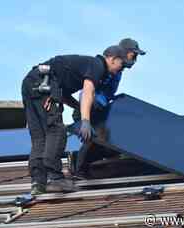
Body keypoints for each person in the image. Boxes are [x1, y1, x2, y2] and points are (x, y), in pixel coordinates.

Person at [21, 45, 127, 195]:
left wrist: (77, 106)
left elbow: (63, 95)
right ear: (113, 59)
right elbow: (88, 91)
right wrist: (85, 120)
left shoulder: (83, 64)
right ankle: (55, 179)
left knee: (40, 136)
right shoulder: (97, 66)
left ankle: (38, 182)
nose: (121, 70)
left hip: (32, 82)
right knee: (57, 131)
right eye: (121, 65)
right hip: (45, 83)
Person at [72, 38, 146, 179]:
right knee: (94, 137)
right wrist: (87, 116)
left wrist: (113, 99)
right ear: (124, 52)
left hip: (101, 108)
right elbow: (89, 90)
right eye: (134, 55)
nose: (135, 59)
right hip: (89, 108)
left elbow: (106, 92)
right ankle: (79, 169)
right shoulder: (104, 66)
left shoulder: (119, 70)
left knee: (106, 140)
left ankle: (96, 167)